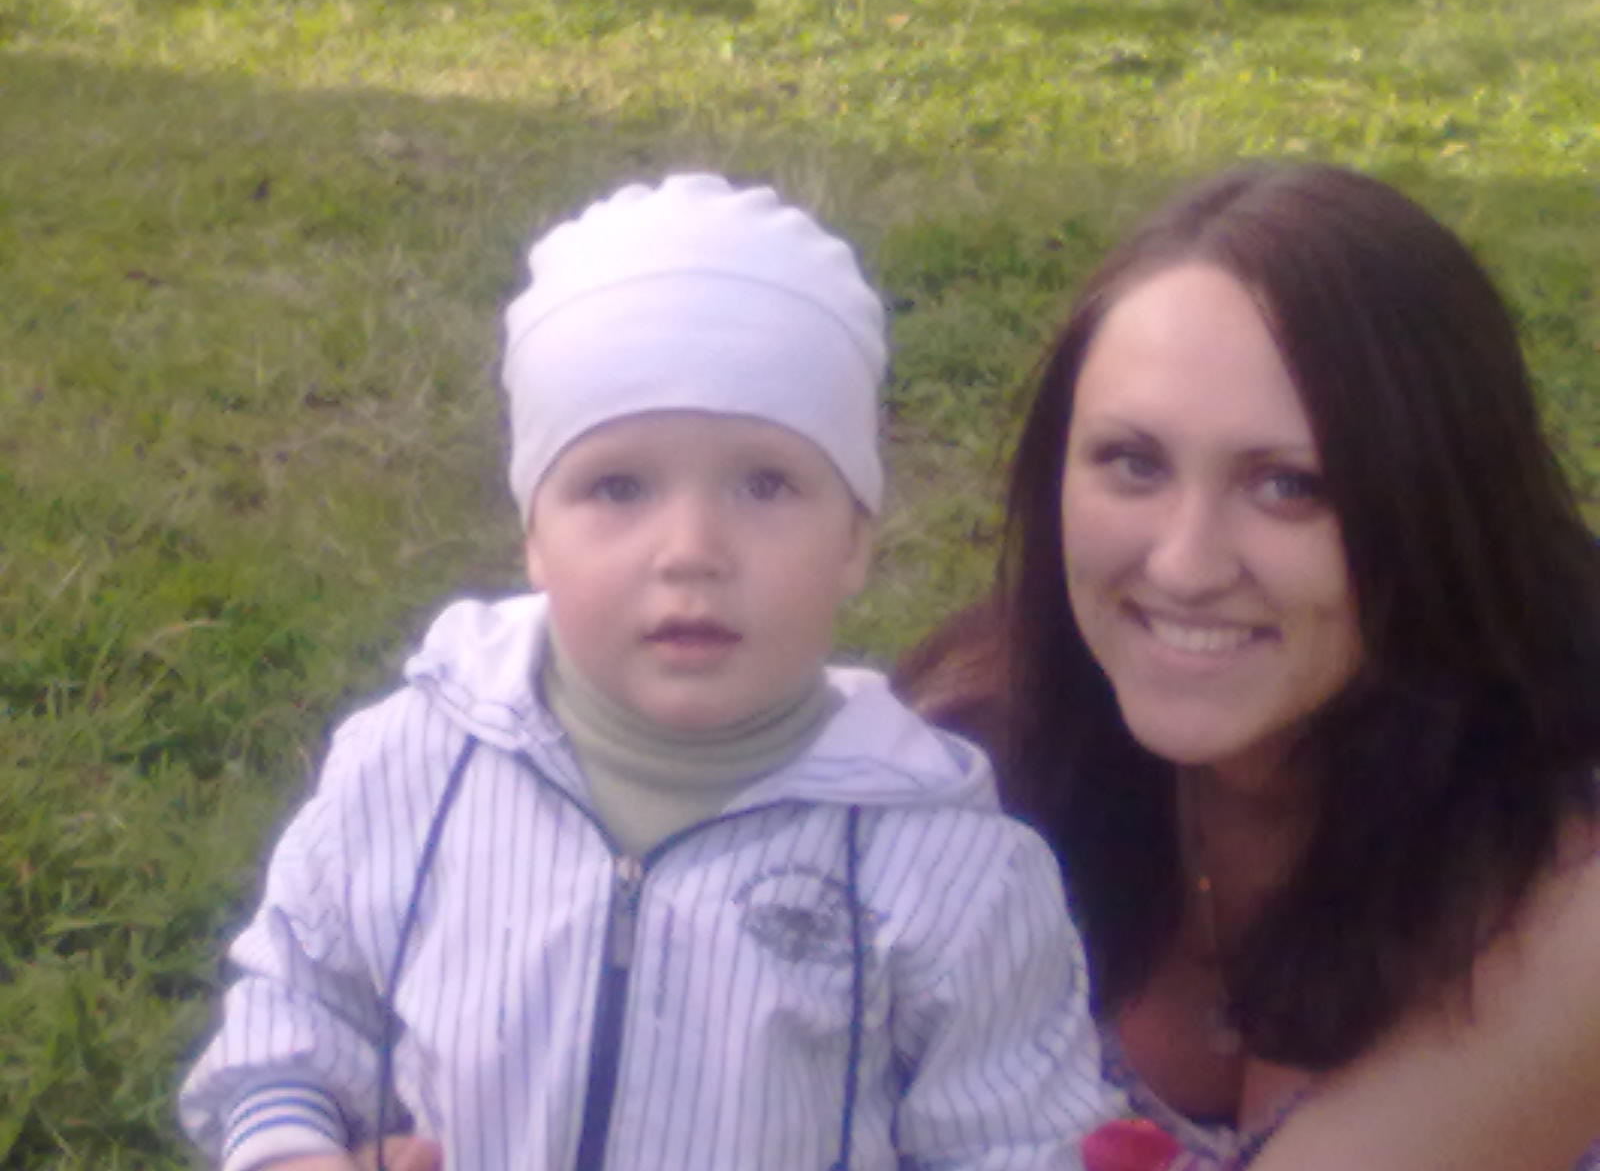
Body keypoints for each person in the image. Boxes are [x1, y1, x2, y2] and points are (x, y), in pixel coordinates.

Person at [178, 173, 1112, 1171]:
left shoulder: (947, 868)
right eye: (617, 486)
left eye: (766, 484)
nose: (691, 550)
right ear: (534, 534)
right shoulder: (408, 771)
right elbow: (294, 1007)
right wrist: (292, 1152)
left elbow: (1019, 1145)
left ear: (854, 539)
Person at [895, 162, 1600, 1170]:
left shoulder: (1566, 877)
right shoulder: (966, 754)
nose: (1184, 566)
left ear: (1442, 507)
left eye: (1289, 486)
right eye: (1133, 462)